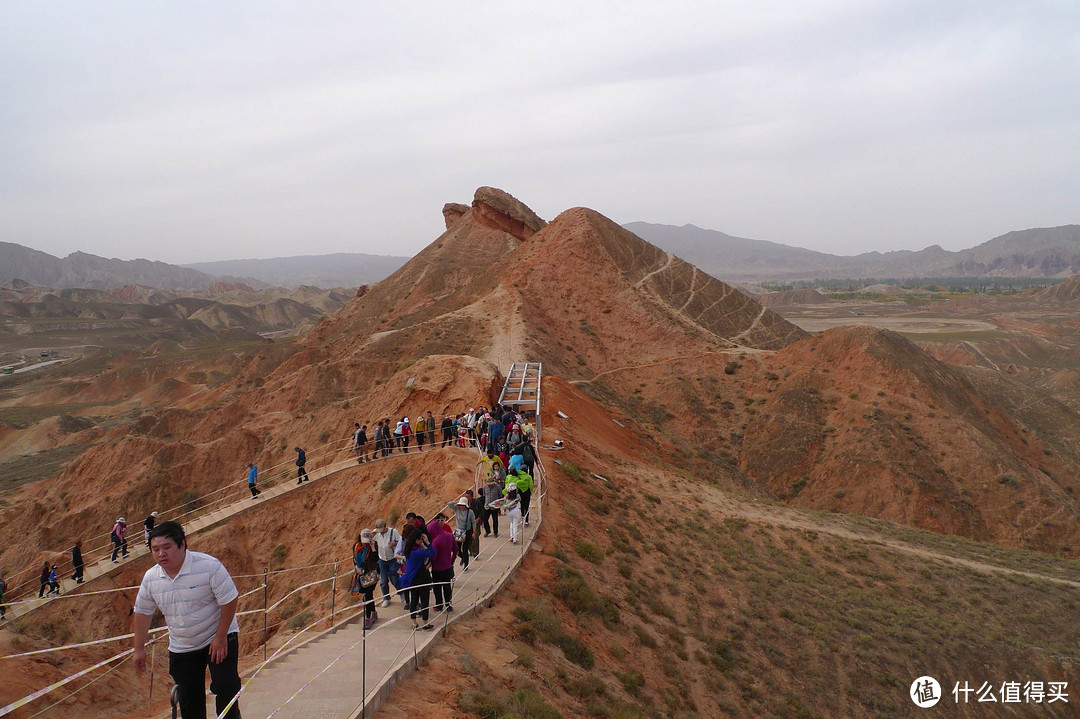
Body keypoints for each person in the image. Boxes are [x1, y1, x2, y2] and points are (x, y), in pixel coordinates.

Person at [133, 521, 241, 719]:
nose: (161, 554)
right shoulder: (151, 578)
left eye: (167, 547)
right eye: (155, 549)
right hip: (182, 645)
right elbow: (143, 612)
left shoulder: (208, 566)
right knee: (190, 701)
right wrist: (139, 648)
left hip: (217, 635)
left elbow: (229, 598)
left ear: (182, 544)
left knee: (226, 686)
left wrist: (220, 636)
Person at [398, 529, 435, 630]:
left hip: (413, 580)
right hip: (421, 578)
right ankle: (425, 623)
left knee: (414, 601)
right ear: (416, 540)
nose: (422, 541)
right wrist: (427, 542)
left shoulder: (409, 550)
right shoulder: (418, 552)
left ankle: (414, 623)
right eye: (420, 540)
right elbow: (432, 553)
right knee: (424, 601)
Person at [427, 514, 457, 613]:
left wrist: (430, 561)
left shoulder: (435, 541)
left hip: (437, 569)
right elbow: (456, 550)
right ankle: (448, 605)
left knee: (437, 588)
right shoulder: (449, 536)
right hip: (447, 566)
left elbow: (434, 557)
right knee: (447, 587)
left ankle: (439, 606)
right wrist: (451, 561)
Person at [372, 519, 402, 607]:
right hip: (382, 560)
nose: (380, 533)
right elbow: (368, 538)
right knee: (383, 581)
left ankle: (401, 593)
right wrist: (372, 533)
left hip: (392, 559)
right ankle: (386, 598)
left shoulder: (393, 532)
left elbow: (401, 542)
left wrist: (393, 544)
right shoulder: (376, 534)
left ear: (385, 527)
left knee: (394, 579)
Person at [353, 530, 380, 629]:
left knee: (368, 596)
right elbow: (354, 559)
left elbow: (375, 559)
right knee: (368, 595)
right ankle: (373, 613)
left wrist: (373, 548)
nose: (365, 543)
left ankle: (368, 618)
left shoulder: (373, 546)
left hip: (372, 573)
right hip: (362, 574)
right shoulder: (356, 546)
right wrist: (357, 567)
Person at [446, 496, 477, 572]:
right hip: (458, 532)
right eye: (461, 505)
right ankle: (463, 557)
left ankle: (466, 566)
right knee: (457, 549)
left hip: (467, 532)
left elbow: (473, 522)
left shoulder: (470, 512)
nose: (461, 507)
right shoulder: (457, 510)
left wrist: (474, 532)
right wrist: (457, 502)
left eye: (463, 505)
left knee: (465, 549)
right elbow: (449, 504)